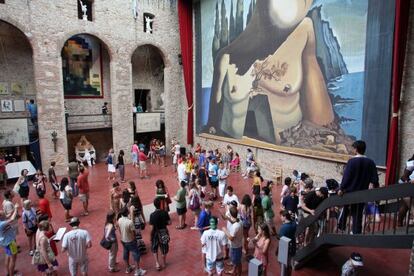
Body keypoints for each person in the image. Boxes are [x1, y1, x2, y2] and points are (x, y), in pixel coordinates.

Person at [338, 140, 379, 234]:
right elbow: (375, 180)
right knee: (358, 213)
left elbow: (347, 177)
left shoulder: (352, 162)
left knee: (346, 209)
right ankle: (356, 232)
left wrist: (341, 188)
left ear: (356, 149)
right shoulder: (371, 162)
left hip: (349, 193)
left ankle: (341, 227)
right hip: (363, 193)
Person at [118, 207, 146, 275]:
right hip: (131, 240)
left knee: (126, 253)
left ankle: (128, 268)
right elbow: (133, 232)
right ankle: (137, 270)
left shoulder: (119, 220)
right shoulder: (130, 222)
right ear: (127, 213)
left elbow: (119, 229)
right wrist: (135, 240)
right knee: (136, 254)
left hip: (123, 240)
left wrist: (121, 237)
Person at [149, 198, 171, 271]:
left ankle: (157, 263)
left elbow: (151, 228)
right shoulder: (164, 213)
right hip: (163, 232)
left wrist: (150, 236)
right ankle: (164, 262)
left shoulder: (152, 215)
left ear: (154, 205)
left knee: (155, 248)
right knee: (164, 247)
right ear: (160, 204)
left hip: (155, 233)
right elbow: (169, 222)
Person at [222, 207, 243, 276]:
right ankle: (234, 271)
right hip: (238, 244)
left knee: (237, 262)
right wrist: (227, 218)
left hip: (236, 246)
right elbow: (233, 221)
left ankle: (239, 273)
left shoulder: (235, 226)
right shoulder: (239, 220)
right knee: (236, 261)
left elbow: (231, 238)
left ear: (231, 215)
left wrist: (225, 230)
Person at [0, 203, 19, 276]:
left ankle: (8, 272)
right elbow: (11, 219)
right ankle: (12, 274)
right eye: (3, 213)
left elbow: (7, 216)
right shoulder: (2, 224)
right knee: (13, 259)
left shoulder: (2, 220)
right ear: (1, 216)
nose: (4, 213)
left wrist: (14, 209)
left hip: (5, 242)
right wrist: (16, 209)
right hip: (10, 242)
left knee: (8, 256)